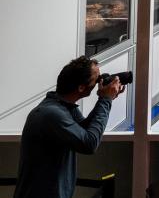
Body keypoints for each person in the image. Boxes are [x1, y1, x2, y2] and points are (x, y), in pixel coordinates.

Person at [14, 56, 123, 198]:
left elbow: (84, 130)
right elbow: (89, 143)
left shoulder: (62, 107)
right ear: (81, 87)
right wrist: (105, 100)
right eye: (96, 80)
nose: (99, 83)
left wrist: (106, 99)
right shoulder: (52, 114)